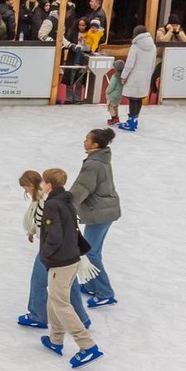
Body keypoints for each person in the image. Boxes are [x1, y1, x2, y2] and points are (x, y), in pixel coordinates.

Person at [38, 168, 102, 368]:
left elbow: (55, 236)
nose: (41, 184)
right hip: (71, 257)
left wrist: (45, 254)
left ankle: (87, 345)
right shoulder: (67, 200)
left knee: (61, 304)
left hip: (61, 261)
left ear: (49, 184)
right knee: (54, 299)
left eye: (43, 181)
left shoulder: (52, 205)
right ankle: (56, 339)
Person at [17, 170, 91, 331]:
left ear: (31, 185)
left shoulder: (46, 200)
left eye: (25, 188)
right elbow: (39, 221)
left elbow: (52, 228)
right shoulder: (49, 198)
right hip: (65, 250)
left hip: (54, 250)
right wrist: (32, 231)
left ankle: (38, 316)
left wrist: (46, 251)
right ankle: (82, 318)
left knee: (38, 281)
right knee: (69, 285)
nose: (25, 191)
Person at [69, 128, 122, 310]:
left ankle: (105, 293)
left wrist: (65, 205)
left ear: (95, 145)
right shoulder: (101, 158)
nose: (84, 141)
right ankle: (92, 286)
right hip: (105, 210)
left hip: (100, 212)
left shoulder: (93, 164)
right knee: (94, 252)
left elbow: (82, 187)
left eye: (87, 139)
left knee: (90, 253)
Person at [114, 26, 156, 132]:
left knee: (133, 99)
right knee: (139, 98)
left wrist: (124, 76)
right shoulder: (153, 46)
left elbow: (129, 64)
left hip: (134, 76)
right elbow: (153, 63)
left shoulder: (135, 46)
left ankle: (131, 122)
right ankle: (135, 120)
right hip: (145, 76)